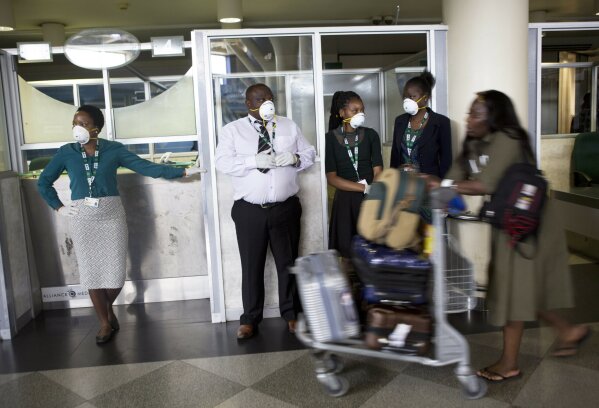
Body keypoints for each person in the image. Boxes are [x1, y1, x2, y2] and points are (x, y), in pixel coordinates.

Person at [428, 90, 590, 382]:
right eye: (470, 112)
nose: (469, 118)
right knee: (518, 287)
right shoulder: (475, 143)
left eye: (476, 113)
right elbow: (456, 173)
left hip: (528, 225)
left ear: (494, 117)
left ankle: (509, 364)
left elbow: (485, 184)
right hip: (510, 223)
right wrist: (442, 187)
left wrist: (444, 186)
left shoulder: (508, 140)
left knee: (513, 290)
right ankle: (570, 331)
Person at [38, 105, 203, 344]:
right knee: (91, 273)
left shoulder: (113, 150)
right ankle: (105, 322)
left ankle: (105, 309)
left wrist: (183, 171)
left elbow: (145, 167)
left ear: (96, 127)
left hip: (111, 215)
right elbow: (43, 182)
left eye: (83, 123)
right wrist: (59, 207)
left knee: (115, 275)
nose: (77, 128)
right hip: (82, 218)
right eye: (75, 123)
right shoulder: (67, 152)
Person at [215, 83, 316, 340]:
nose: (266, 103)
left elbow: (309, 154)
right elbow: (222, 162)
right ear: (248, 104)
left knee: (288, 262)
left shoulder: (288, 125)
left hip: (285, 208)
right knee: (252, 265)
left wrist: (295, 158)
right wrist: (252, 161)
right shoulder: (233, 131)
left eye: (269, 98)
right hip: (249, 211)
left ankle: (292, 315)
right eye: (260, 100)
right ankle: (250, 319)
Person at [325, 91, 383, 259]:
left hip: (370, 200)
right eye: (354, 110)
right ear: (342, 113)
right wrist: (364, 187)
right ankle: (350, 285)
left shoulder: (371, 135)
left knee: (371, 248)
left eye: (362, 110)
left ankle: (366, 282)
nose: (360, 114)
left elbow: (378, 170)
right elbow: (332, 178)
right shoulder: (329, 139)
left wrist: (373, 191)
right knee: (346, 251)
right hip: (345, 202)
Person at [390, 71, 452, 178]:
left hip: (428, 185)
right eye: (405, 97)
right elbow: (394, 158)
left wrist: (440, 185)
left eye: (412, 96)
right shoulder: (399, 121)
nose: (407, 101)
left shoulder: (441, 122)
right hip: (402, 183)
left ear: (425, 97)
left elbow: (446, 160)